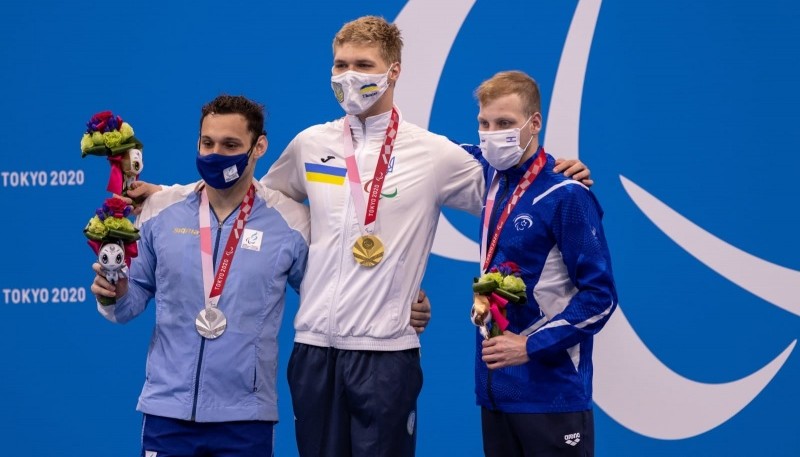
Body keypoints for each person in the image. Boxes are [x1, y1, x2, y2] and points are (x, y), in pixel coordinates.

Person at [128, 16, 590, 457]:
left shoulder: (433, 154)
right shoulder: (311, 144)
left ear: (394, 71)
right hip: (313, 350)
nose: (350, 76)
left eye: (363, 65)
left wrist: (557, 172)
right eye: (341, 65)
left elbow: (512, 194)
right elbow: (252, 198)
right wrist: (170, 194)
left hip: (385, 353)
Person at [90, 95, 310, 457]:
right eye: (207, 143)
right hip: (167, 413)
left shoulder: (291, 223)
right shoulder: (162, 211)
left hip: (245, 419)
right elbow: (127, 306)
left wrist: (402, 302)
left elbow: (330, 295)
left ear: (259, 147)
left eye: (230, 145)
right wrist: (111, 294)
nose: (215, 154)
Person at [468, 71, 618, 457]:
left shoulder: (567, 194)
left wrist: (532, 345)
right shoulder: (490, 175)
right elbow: (421, 150)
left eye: (505, 124)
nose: (491, 134)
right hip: (496, 391)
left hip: (552, 394)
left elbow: (600, 297)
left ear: (535, 123)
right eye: (485, 123)